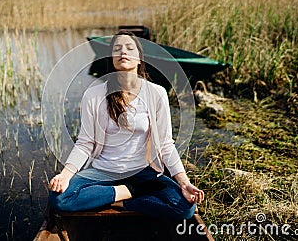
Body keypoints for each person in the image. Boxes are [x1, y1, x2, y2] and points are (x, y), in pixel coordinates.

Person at [48, 31, 204, 221]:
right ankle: (130, 191)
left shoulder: (157, 93)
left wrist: (184, 182)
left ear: (139, 58)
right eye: (117, 49)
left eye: (130, 48)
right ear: (111, 58)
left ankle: (117, 200)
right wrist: (65, 175)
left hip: (143, 173)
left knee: (185, 208)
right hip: (102, 172)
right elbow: (85, 143)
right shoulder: (94, 95)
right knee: (60, 199)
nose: (123, 52)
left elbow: (166, 144)